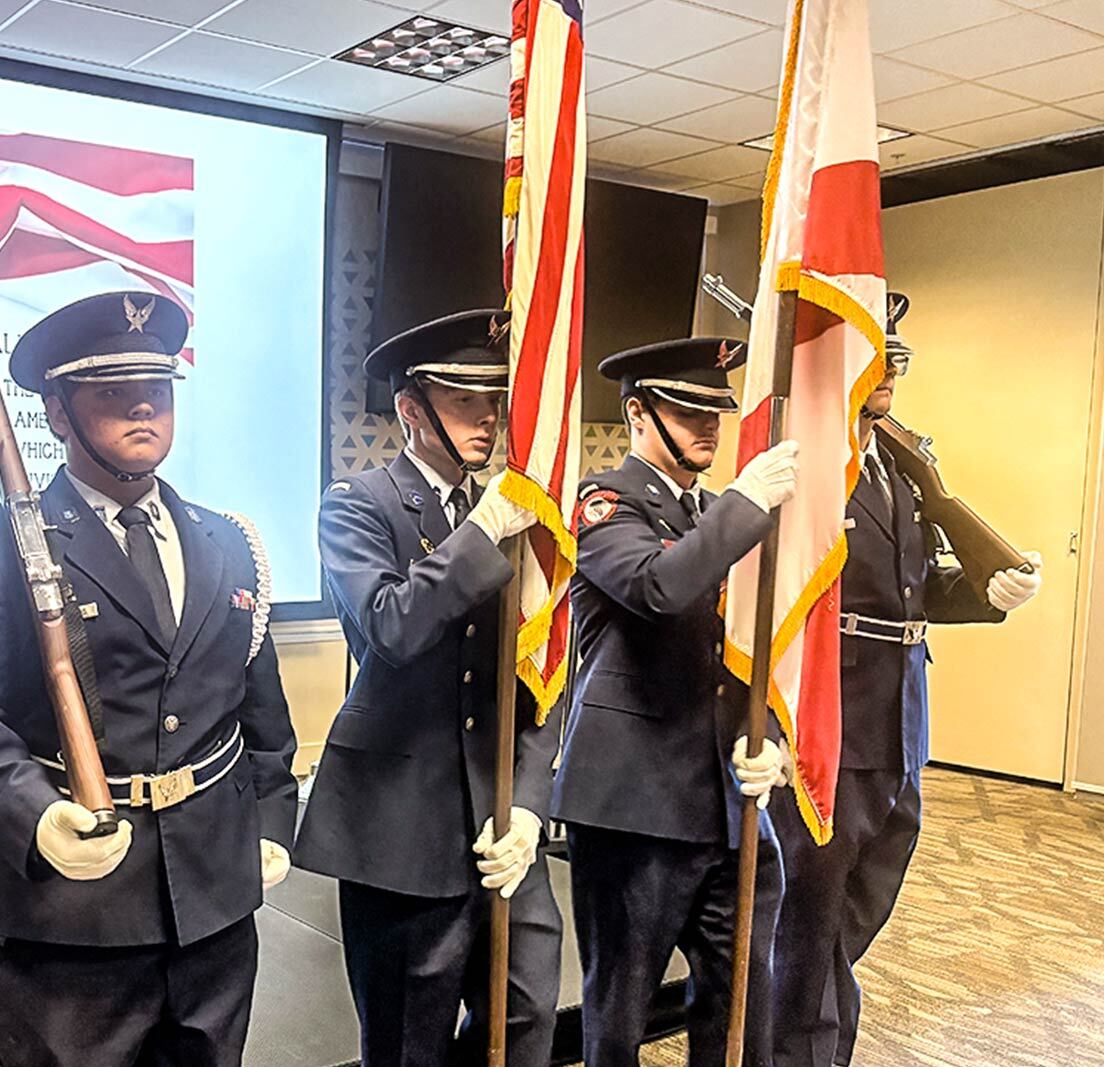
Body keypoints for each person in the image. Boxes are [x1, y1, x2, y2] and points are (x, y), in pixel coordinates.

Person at [0, 290, 299, 1067]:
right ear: (57, 412)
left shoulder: (227, 542)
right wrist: (34, 813)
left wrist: (268, 822)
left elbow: (258, 710)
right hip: (70, 911)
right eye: (113, 395)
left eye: (154, 392)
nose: (142, 411)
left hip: (211, 902)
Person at [769, 294, 1042, 1067]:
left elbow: (911, 585)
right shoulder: (806, 461)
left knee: (857, 907)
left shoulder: (898, 462)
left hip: (900, 722)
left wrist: (982, 593)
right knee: (810, 915)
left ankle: (811, 1036)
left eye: (897, 356)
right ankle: (799, 1050)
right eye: (874, 353)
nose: (890, 369)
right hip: (831, 720)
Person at [295, 309, 564, 1065]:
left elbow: (545, 674)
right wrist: (482, 532)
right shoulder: (357, 504)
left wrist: (532, 809)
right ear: (412, 410)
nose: (486, 418)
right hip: (402, 825)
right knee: (408, 1041)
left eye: (493, 400)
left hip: (502, 818)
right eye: (462, 400)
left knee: (525, 1023)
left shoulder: (517, 520)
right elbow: (392, 626)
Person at [552, 337, 799, 1067]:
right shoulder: (606, 501)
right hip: (635, 804)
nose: (710, 427)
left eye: (716, 410)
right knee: (620, 1011)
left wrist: (774, 736)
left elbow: (759, 639)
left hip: (725, 797)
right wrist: (749, 503)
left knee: (739, 1004)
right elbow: (661, 588)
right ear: (638, 413)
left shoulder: (724, 509)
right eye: (688, 410)